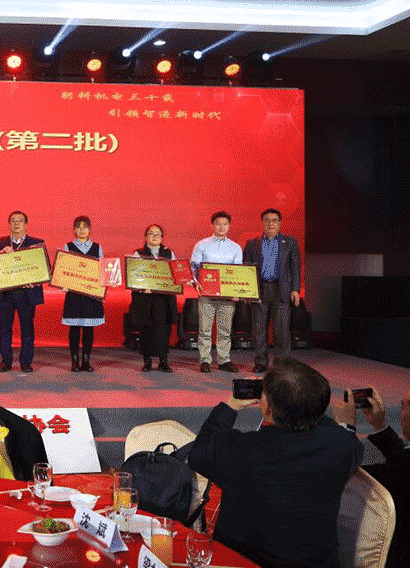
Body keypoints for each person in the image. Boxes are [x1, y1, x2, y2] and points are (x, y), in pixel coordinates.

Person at [188, 357, 363, 568]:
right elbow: (346, 439)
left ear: (268, 408)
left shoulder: (239, 449)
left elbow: (197, 455)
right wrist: (345, 424)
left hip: (242, 562)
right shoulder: (341, 446)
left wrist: (230, 406)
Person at [335, 378, 410, 568]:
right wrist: (380, 425)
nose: (401, 413)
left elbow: (344, 470)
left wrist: (345, 428)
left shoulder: (408, 470)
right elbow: (408, 457)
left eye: (403, 406)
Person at [243, 208, 301, 373]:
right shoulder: (252, 244)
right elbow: (246, 269)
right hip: (259, 290)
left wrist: (295, 289)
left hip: (281, 289)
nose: (271, 223)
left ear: (280, 223)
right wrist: (246, 291)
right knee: (259, 329)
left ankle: (282, 363)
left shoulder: (290, 243)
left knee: (281, 329)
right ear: (262, 223)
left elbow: (295, 267)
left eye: (274, 220)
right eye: (267, 220)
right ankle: (261, 362)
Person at [190, 211, 243, 373]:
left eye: (225, 224)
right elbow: (194, 266)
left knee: (225, 331)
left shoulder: (235, 247)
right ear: (212, 225)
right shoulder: (201, 245)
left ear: (229, 226)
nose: (221, 227)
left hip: (227, 296)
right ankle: (205, 360)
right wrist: (196, 282)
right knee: (205, 330)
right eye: (218, 223)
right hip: (206, 294)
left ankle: (224, 360)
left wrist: (237, 291)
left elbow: (238, 272)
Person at [0, 211, 45, 373]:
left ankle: (26, 362)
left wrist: (35, 280)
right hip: (6, 294)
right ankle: (6, 361)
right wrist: (0, 254)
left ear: (26, 225)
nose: (16, 223)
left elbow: (44, 267)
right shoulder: (0, 242)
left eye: (20, 221)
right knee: (5, 329)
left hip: (26, 294)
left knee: (27, 329)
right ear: (9, 224)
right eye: (13, 220)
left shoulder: (36, 243)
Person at [130, 224, 178, 372]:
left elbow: (176, 274)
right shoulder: (138, 253)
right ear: (146, 237)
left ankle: (163, 361)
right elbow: (133, 275)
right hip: (146, 299)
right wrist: (142, 286)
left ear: (162, 238)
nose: (155, 236)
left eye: (158, 234)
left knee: (164, 330)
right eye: (151, 234)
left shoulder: (169, 253)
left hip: (164, 299)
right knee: (147, 330)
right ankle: (147, 361)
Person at [62, 216, 103, 372]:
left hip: (90, 294)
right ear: (74, 230)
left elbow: (102, 270)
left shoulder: (97, 247)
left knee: (88, 329)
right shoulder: (68, 246)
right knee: (74, 328)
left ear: (89, 229)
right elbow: (63, 269)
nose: (82, 230)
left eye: (85, 227)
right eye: (78, 227)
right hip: (74, 294)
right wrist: (63, 283)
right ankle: (74, 361)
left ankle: (86, 361)